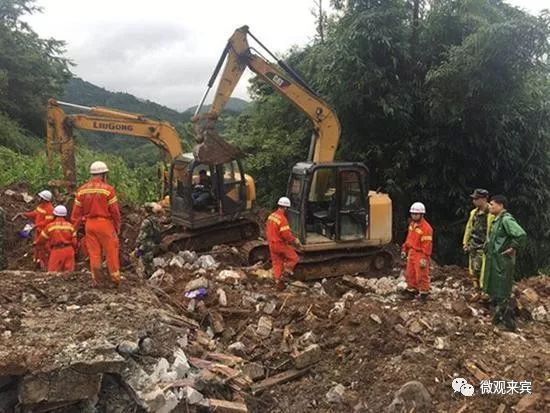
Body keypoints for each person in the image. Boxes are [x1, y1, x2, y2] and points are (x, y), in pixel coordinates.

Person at [71, 161, 121, 287]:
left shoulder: (82, 190)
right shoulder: (108, 190)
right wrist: (117, 226)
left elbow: (76, 213)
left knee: (94, 253)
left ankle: (97, 279)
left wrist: (74, 229)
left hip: (89, 224)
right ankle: (114, 278)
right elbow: (114, 211)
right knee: (111, 251)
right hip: (104, 223)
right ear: (104, 174)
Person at [484, 195, 526, 331]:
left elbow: (520, 234)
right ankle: (499, 319)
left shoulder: (506, 220)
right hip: (495, 260)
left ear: (500, 205)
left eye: (492, 204)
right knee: (496, 290)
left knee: (503, 291)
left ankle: (504, 323)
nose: (490, 207)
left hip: (502, 262)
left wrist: (513, 247)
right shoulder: (497, 221)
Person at [462, 188, 495, 289]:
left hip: (484, 244)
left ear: (484, 199)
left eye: (477, 198)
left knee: (482, 268)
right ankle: (476, 288)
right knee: (473, 268)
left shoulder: (491, 212)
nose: (474, 201)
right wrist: (465, 242)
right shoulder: (474, 212)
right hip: (474, 243)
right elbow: (469, 227)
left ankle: (483, 290)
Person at [401, 202, 433, 301]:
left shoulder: (426, 228)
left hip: (420, 253)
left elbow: (427, 245)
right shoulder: (412, 225)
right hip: (411, 251)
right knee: (410, 273)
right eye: (412, 214)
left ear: (421, 214)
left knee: (422, 274)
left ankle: (424, 293)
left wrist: (424, 257)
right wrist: (404, 249)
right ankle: (411, 290)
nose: (414, 216)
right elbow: (409, 239)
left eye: (416, 214)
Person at [266, 196, 300, 290]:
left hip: (271, 244)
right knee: (294, 258)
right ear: (285, 207)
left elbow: (268, 230)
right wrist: (294, 240)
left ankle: (278, 282)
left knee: (277, 262)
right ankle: (286, 273)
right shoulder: (282, 219)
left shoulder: (271, 216)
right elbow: (286, 235)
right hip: (279, 244)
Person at [15, 190, 54, 269]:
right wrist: (24, 214)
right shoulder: (40, 206)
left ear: (44, 199)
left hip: (44, 233)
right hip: (38, 231)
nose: (38, 198)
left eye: (40, 197)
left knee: (45, 248)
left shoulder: (50, 209)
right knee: (37, 247)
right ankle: (36, 262)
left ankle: (47, 266)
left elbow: (47, 222)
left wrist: (36, 225)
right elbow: (34, 213)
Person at [37, 205, 76, 272]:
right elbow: (75, 242)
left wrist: (36, 243)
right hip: (69, 251)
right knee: (69, 276)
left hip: (57, 251)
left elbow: (41, 240)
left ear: (54, 214)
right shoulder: (71, 226)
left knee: (53, 275)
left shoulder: (50, 227)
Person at [135, 202, 163, 277]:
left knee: (146, 260)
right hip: (153, 242)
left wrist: (137, 243)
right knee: (149, 259)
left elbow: (142, 235)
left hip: (146, 243)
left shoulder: (146, 221)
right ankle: (150, 274)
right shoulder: (155, 219)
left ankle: (151, 276)